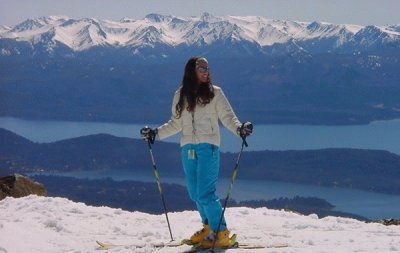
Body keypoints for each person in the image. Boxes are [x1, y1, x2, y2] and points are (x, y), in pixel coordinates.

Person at [140, 56, 253, 248]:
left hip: (208, 147)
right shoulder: (181, 94)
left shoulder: (215, 93)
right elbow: (176, 123)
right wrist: (155, 133)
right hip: (188, 148)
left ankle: (221, 232)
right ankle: (208, 229)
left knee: (205, 193)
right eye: (202, 68)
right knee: (194, 192)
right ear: (191, 71)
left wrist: (239, 129)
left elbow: (227, 117)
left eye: (207, 68)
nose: (206, 72)